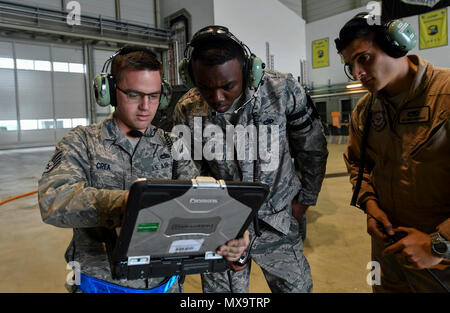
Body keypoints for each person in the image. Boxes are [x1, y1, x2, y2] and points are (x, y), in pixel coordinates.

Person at [38, 46, 249, 293]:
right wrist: (127, 203)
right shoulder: (82, 142)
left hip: (164, 285)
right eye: (134, 95)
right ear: (110, 92)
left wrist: (233, 236)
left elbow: (200, 202)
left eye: (154, 96)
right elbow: (53, 201)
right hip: (102, 286)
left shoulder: (172, 145)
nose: (145, 107)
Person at [173, 26, 328, 293]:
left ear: (248, 70)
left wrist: (305, 199)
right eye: (205, 87)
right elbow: (187, 176)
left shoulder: (282, 90)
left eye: (227, 86)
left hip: (279, 224)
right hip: (223, 232)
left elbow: (312, 147)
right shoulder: (187, 110)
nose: (217, 97)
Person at [335, 13, 450, 292]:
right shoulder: (365, 110)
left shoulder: (445, 96)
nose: (358, 73)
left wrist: (439, 243)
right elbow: (358, 165)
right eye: (350, 65)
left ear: (396, 44)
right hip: (387, 252)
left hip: (440, 259)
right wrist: (371, 206)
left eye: (364, 58)